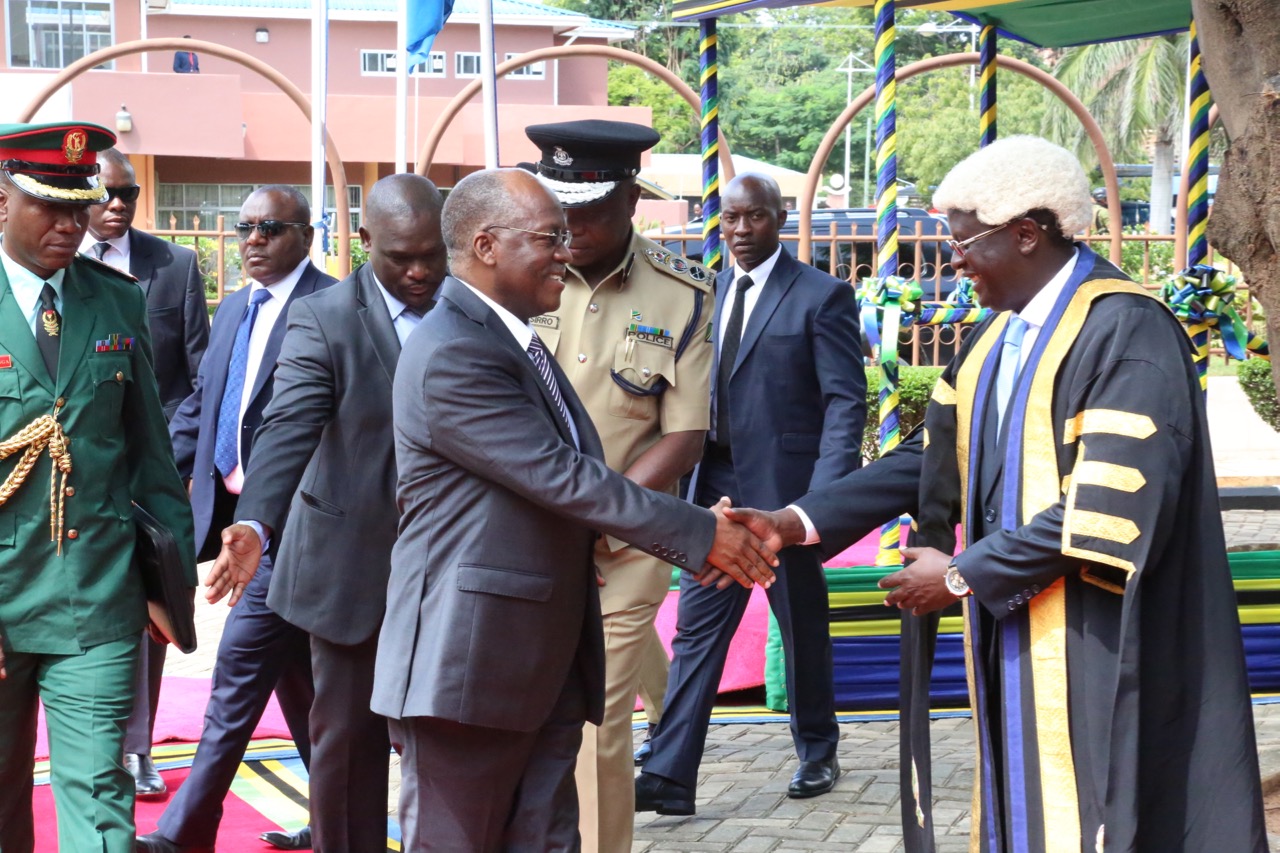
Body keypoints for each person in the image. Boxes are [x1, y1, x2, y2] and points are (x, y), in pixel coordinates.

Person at [727, 136, 1267, 852]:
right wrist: (794, 522)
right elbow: (927, 460)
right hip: (1018, 622)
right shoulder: (996, 338)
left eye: (964, 242)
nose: (952, 260)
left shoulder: (1125, 330)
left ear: (1026, 232)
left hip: (1103, 639)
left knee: (1105, 812)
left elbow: (1102, 511)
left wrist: (958, 575)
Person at [371, 167, 780, 852]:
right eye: (548, 237)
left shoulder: (513, 339)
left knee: (550, 839)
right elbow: (561, 477)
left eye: (565, 235)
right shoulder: (454, 351)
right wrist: (699, 531)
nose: (566, 250)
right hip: (468, 668)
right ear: (486, 244)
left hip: (538, 660)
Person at [203, 174, 447, 852]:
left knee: (455, 745)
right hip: (350, 565)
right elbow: (286, 428)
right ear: (366, 243)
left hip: (456, 566)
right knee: (346, 747)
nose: (421, 270)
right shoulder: (326, 318)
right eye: (402, 257)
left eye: (434, 253)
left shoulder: (474, 310)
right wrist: (255, 521)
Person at [518, 118, 715, 853]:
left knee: (596, 716)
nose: (568, 226)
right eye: (557, 205)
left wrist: (605, 514)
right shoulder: (513, 274)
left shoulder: (682, 294)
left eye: (589, 208)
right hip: (520, 529)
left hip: (623, 542)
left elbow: (683, 433)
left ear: (633, 198)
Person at [0, 121, 195, 853]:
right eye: (48, 206)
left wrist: (167, 581)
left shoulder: (116, 301)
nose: (70, 223)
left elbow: (149, 450)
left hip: (96, 590)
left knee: (100, 799)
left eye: (78, 206)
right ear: (0, 202)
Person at [138, 185, 337, 853]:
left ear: (306, 236)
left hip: (302, 531)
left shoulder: (334, 309)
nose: (252, 239)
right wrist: (148, 469)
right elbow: (203, 403)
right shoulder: (233, 309)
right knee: (299, 682)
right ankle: (336, 815)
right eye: (244, 226)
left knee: (237, 682)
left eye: (270, 228)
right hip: (236, 528)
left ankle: (179, 834)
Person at [82, 146, 210, 800]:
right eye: (105, 194)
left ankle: (139, 748)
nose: (116, 206)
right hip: (75, 482)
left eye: (128, 195)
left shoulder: (175, 264)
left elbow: (198, 376)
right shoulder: (59, 268)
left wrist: (170, 454)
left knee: (151, 616)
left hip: (152, 480)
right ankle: (95, 745)